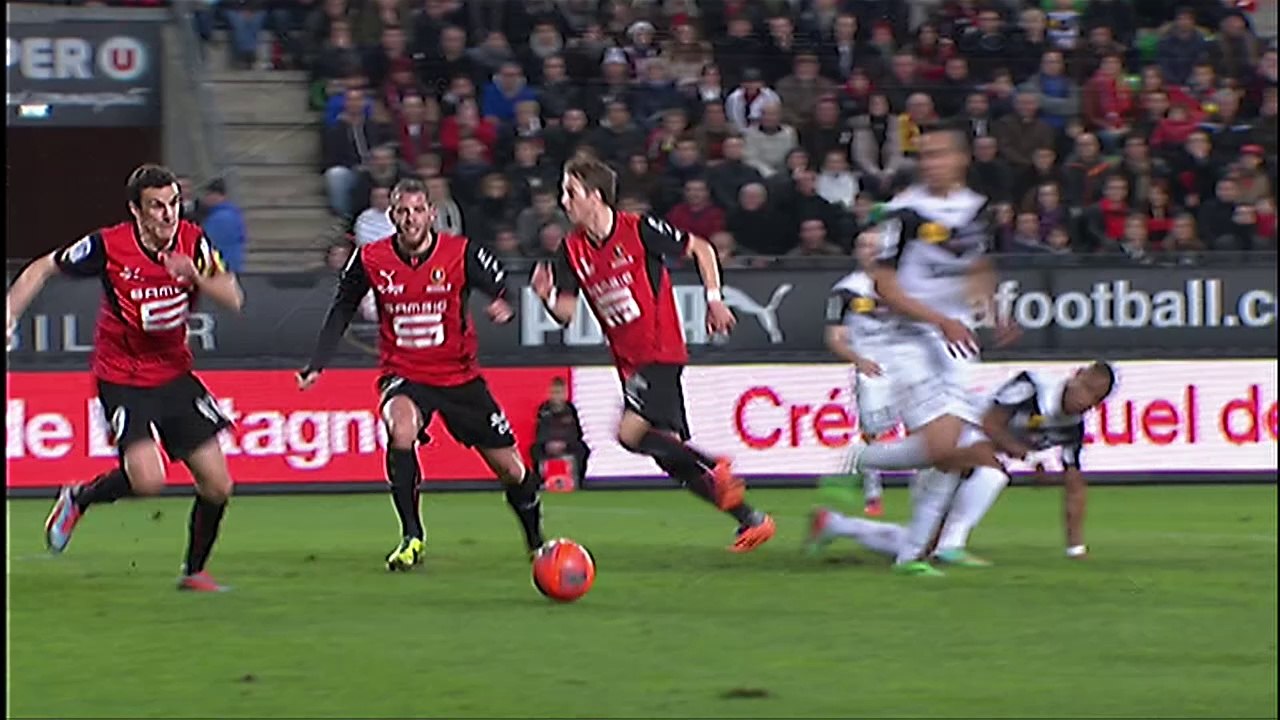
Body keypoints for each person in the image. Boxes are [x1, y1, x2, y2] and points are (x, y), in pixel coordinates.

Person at [6, 164, 245, 592]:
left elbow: (234, 298)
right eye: (156, 206)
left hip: (174, 373)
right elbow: (42, 267)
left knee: (217, 484)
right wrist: (9, 314)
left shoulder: (194, 242)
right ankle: (79, 497)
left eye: (173, 204)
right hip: (123, 376)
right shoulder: (108, 245)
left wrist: (194, 274)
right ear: (136, 210)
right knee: (148, 481)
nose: (168, 215)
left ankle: (194, 572)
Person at [297, 178, 545, 571]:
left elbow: (500, 285)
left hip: (460, 377)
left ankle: (536, 543)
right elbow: (342, 307)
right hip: (405, 374)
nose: (410, 219)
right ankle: (411, 536)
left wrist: (504, 304)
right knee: (401, 429)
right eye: (402, 211)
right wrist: (317, 362)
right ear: (391, 216)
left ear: (432, 214)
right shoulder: (371, 258)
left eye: (417, 210)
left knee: (512, 470)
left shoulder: (460, 252)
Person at [531, 156, 776, 553]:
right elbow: (566, 314)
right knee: (672, 457)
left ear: (595, 196)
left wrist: (714, 300)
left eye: (570, 192)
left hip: (660, 351)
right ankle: (752, 519)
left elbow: (702, 249)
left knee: (629, 434)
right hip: (628, 363)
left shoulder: (638, 229)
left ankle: (714, 465)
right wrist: (546, 297)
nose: (563, 201)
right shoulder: (571, 249)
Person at [834, 126, 1020, 574]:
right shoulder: (904, 210)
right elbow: (884, 284)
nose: (930, 163)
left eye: (939, 154)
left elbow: (978, 266)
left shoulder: (976, 210)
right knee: (945, 447)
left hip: (957, 341)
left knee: (946, 453)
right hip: (908, 340)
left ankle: (912, 553)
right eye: (925, 155)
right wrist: (939, 320)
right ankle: (860, 461)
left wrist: (994, 310)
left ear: (961, 159)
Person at [808, 362, 1116, 566]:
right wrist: (1029, 456)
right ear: (1076, 375)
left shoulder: (1072, 427)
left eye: (1095, 397)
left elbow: (1075, 486)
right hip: (954, 435)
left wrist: (1075, 548)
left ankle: (834, 523)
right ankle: (948, 544)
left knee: (916, 543)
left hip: (965, 458)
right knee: (992, 472)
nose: (1085, 398)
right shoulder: (1033, 385)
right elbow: (989, 424)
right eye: (1086, 387)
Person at [530, 377, 590, 488]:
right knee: (535, 449)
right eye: (554, 392)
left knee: (583, 449)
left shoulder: (571, 409)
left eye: (559, 392)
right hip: (548, 445)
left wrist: (564, 443)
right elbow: (541, 430)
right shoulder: (544, 409)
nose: (556, 396)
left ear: (565, 394)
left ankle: (578, 482)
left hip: (567, 445)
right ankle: (541, 482)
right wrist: (548, 443)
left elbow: (576, 432)